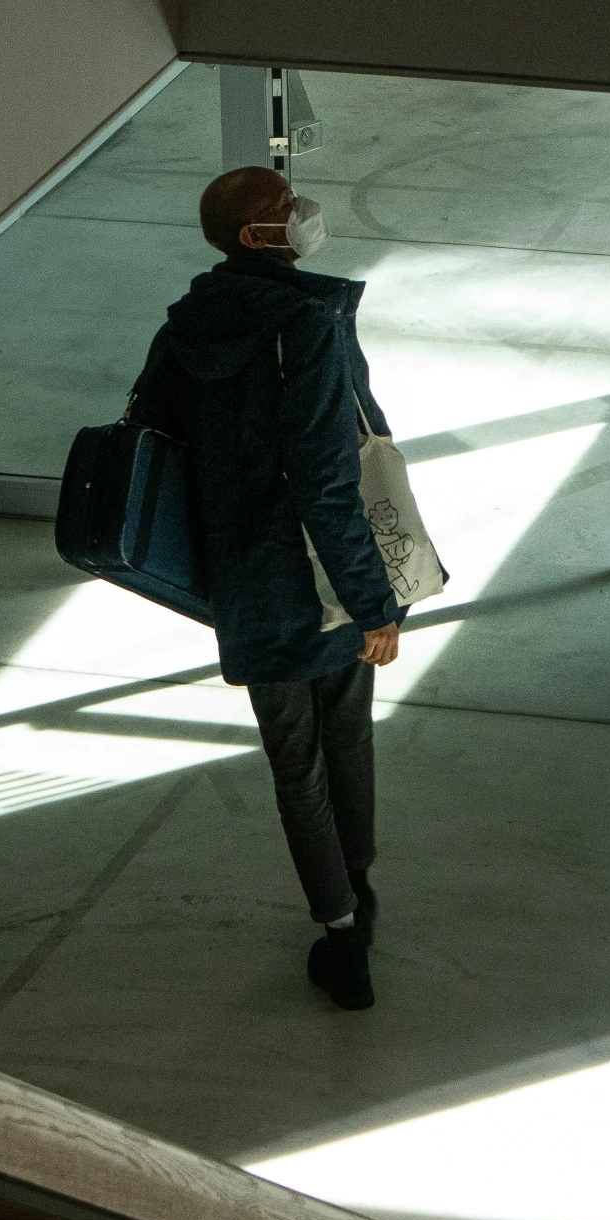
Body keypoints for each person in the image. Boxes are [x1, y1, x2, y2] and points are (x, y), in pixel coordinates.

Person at [138, 165, 401, 1011]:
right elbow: (328, 482)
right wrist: (373, 602)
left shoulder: (185, 328)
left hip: (245, 581)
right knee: (345, 736)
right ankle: (357, 900)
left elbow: (157, 440)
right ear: (257, 236)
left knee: (296, 763)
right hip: (320, 575)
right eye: (285, 207)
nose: (302, 212)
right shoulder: (308, 325)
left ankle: (337, 931)